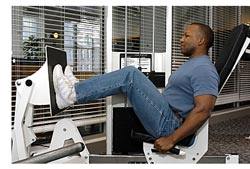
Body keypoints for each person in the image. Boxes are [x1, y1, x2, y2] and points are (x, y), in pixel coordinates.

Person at [53, 22, 219, 153]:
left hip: (170, 124)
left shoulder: (204, 68)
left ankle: (73, 94)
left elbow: (204, 109)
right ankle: (76, 89)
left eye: (186, 35)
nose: (181, 39)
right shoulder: (193, 64)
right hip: (167, 115)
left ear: (200, 40)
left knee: (130, 75)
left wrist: (172, 139)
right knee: (131, 76)